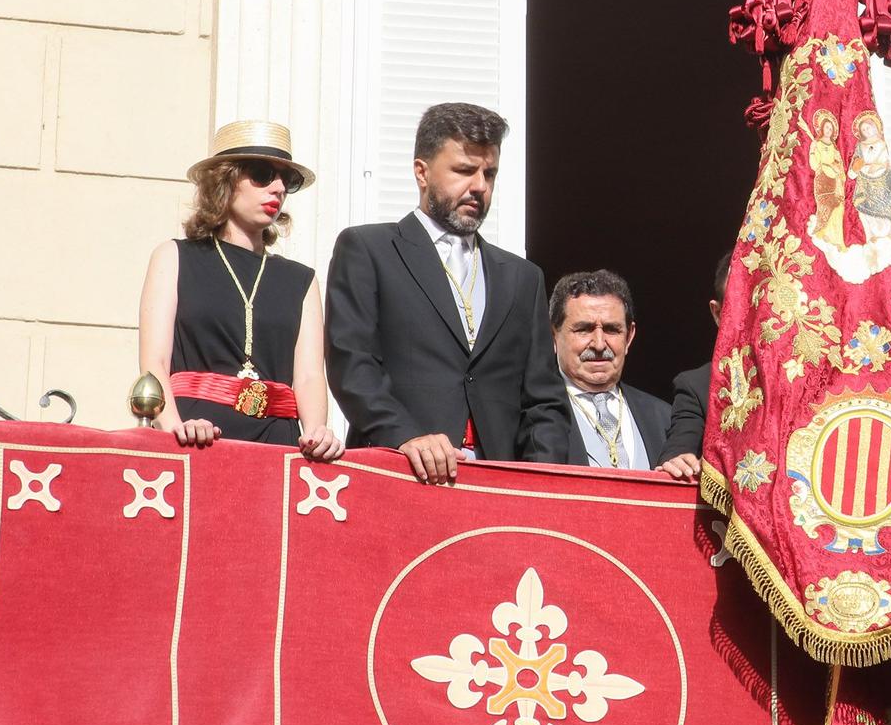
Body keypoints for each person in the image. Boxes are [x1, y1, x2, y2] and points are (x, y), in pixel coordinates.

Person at [323, 102, 570, 483]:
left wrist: (536, 478)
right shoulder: (369, 249)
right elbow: (352, 366)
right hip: (400, 473)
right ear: (421, 172)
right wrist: (405, 437)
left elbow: (544, 400)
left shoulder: (523, 277)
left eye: (490, 173)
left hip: (498, 488)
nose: (480, 186)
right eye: (464, 170)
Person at [138, 121, 341, 458]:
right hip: (196, 436)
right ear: (225, 180)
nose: (277, 188)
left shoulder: (300, 280)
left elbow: (307, 377)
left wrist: (317, 434)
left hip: (276, 442)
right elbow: (154, 362)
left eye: (285, 180)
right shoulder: (174, 257)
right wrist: (174, 428)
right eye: (262, 174)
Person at [548, 269, 685, 472]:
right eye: (584, 329)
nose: (599, 344)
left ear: (629, 337)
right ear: (553, 336)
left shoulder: (664, 418)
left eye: (612, 329)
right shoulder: (532, 414)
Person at [662, 252, 734, 477]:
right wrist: (678, 463)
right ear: (717, 313)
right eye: (738, 308)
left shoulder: (816, 380)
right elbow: (678, 451)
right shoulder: (698, 386)